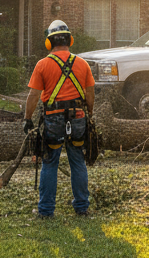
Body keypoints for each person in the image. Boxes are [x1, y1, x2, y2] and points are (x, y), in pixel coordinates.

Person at [23, 20, 96, 219]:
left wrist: (27, 119)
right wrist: (89, 113)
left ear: (49, 42)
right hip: (78, 117)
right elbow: (90, 94)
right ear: (69, 40)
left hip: (53, 119)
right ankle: (82, 207)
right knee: (78, 161)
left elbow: (33, 96)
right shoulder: (82, 64)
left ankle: (46, 211)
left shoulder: (43, 64)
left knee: (49, 162)